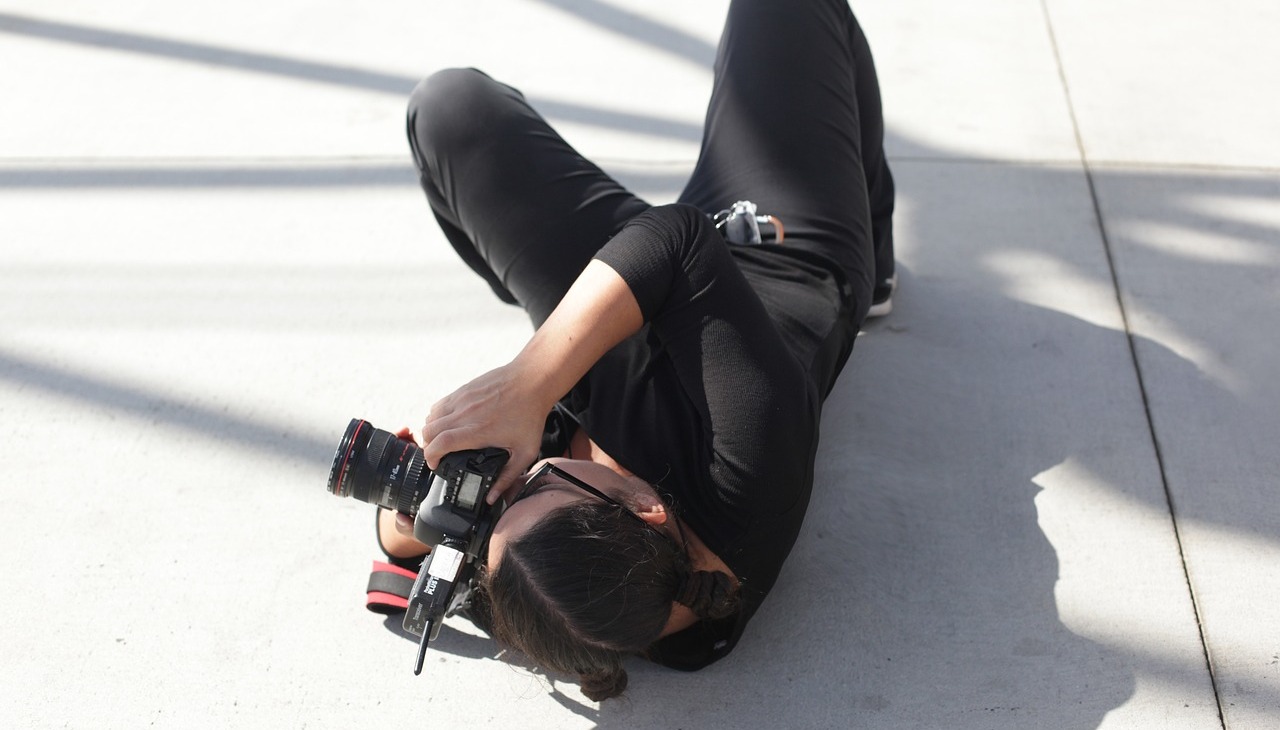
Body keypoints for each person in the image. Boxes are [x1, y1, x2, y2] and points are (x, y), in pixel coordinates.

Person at [379, 0, 896, 701]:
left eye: (496, 510)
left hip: (634, 315)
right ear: (648, 504)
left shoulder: (569, 600)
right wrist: (524, 387)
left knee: (452, 110)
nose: (512, 478)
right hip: (776, 246)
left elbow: (407, 542)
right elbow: (682, 242)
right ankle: (878, 235)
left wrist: (415, 514)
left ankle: (595, 293)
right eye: (534, 483)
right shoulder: (750, 474)